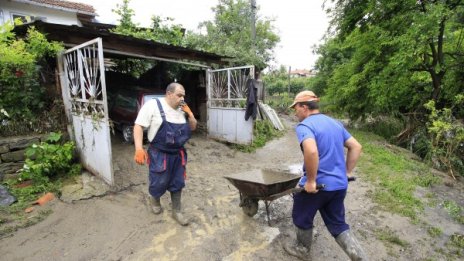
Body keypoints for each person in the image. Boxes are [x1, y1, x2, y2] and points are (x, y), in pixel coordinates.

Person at [283, 90, 368, 260]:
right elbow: (356, 147)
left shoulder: (305, 126)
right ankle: (360, 257)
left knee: (301, 216)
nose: (295, 112)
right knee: (338, 224)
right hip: (339, 186)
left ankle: (302, 249)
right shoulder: (334, 123)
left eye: (296, 108)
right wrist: (346, 173)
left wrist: (311, 181)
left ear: (304, 107)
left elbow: (311, 150)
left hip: (318, 187)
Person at [133, 82, 197, 226]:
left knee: (178, 182)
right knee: (159, 181)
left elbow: (192, 127)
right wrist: (139, 148)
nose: (182, 99)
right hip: (159, 154)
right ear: (169, 93)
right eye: (179, 95)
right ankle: (154, 199)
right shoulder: (153, 106)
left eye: (184, 96)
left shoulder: (182, 110)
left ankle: (177, 211)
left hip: (178, 154)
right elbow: (138, 126)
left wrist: (191, 114)